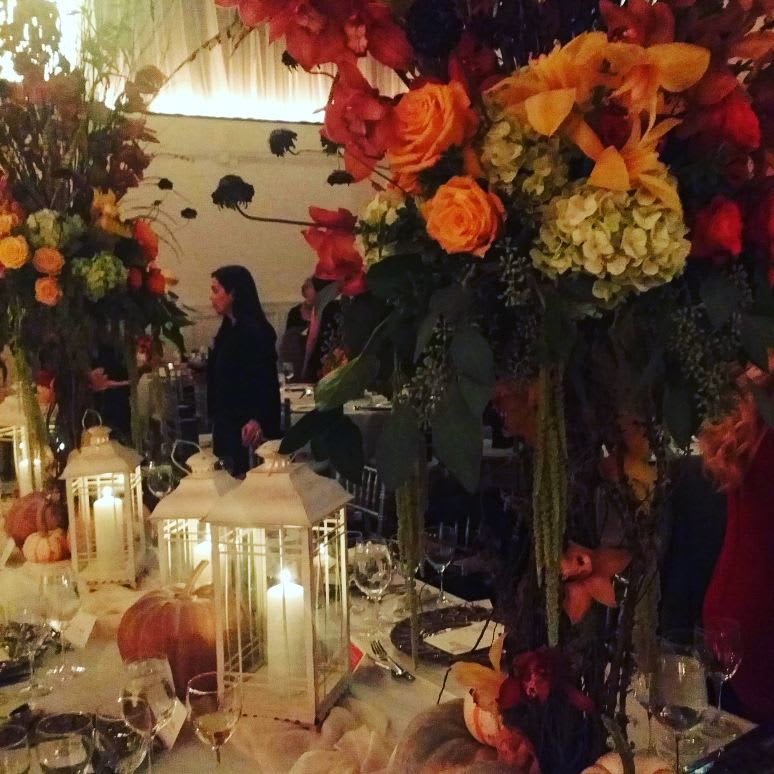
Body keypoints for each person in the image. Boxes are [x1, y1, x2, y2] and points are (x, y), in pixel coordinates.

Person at [207, 265, 281, 476]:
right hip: (227, 419)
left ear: (232, 294)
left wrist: (256, 418)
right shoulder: (228, 329)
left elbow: (264, 380)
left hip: (245, 424)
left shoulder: (256, 332)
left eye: (216, 291)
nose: (211, 297)